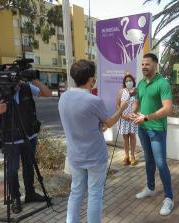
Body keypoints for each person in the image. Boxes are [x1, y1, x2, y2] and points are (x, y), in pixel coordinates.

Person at [58, 60, 128, 223]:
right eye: (94, 77)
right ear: (90, 79)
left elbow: (83, 121)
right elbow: (108, 122)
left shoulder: (63, 98)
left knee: (76, 192)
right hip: (95, 156)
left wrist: (98, 124)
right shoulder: (93, 101)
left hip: (75, 155)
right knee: (95, 194)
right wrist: (122, 108)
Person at [0, 78, 52, 214]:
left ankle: (30, 193)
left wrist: (34, 79)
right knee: (12, 171)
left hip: (29, 136)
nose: (16, 79)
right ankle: (15, 198)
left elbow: (48, 93)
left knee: (29, 166)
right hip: (10, 139)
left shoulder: (26, 87)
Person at [129, 53, 174, 216]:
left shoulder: (162, 83)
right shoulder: (141, 83)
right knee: (148, 160)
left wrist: (146, 117)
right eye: (142, 64)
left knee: (161, 164)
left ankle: (169, 198)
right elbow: (138, 101)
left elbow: (168, 108)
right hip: (142, 128)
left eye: (147, 64)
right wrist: (133, 112)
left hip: (156, 130)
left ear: (155, 65)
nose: (143, 67)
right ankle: (150, 187)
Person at [116, 73, 138, 166]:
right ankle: (126, 156)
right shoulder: (121, 91)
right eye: (127, 81)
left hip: (132, 117)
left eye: (130, 80)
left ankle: (133, 156)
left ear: (133, 81)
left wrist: (132, 114)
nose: (129, 82)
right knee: (125, 137)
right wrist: (122, 115)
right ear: (124, 82)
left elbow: (138, 103)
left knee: (132, 136)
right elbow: (117, 105)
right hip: (124, 118)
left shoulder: (136, 91)